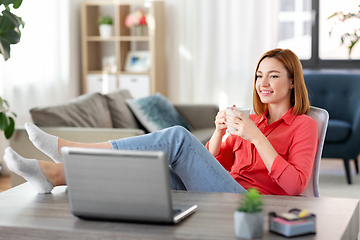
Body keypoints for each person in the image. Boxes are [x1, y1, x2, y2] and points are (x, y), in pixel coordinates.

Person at [3, 48, 318, 196]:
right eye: (260, 75)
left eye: (273, 75)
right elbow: (210, 164)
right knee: (146, 170)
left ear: (292, 82)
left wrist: (257, 139)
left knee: (178, 138)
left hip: (251, 204)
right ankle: (57, 174)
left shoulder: (304, 125)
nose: (263, 83)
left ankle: (70, 150)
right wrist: (221, 134)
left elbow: (294, 186)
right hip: (222, 188)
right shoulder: (250, 120)